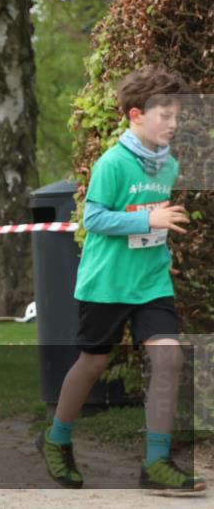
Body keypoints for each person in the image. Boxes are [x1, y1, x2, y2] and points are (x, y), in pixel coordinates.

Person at [37, 67, 205, 493]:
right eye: (165, 115)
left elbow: (155, 220)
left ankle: (156, 462)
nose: (173, 123)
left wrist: (160, 249)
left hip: (151, 284)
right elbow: (94, 218)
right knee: (93, 363)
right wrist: (148, 220)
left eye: (176, 115)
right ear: (136, 115)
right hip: (107, 284)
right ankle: (57, 439)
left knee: (169, 358)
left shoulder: (168, 165)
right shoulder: (112, 163)